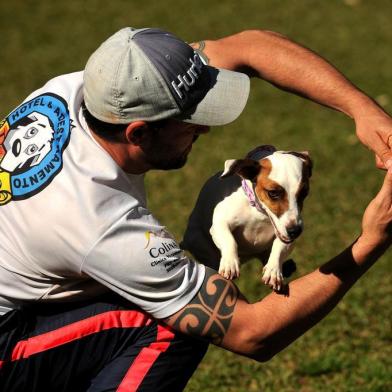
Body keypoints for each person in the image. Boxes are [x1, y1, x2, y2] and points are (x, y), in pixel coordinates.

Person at [0, 26, 391, 391]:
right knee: (173, 326)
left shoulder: (85, 89)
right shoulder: (99, 220)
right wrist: (372, 240)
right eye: (191, 121)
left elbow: (249, 46)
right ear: (139, 132)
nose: (205, 129)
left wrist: (363, 110)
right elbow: (252, 332)